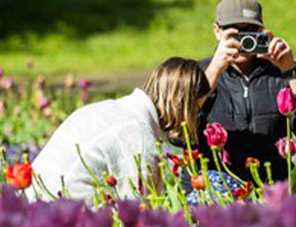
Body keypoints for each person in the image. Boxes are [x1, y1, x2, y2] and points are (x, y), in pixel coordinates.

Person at [28, 57, 211, 204]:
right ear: (181, 105)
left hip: (26, 207)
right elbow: (136, 219)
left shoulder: (105, 109)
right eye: (196, 109)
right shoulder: (139, 139)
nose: (195, 118)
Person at [196, 0, 296, 183]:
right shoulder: (198, 72)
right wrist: (214, 71)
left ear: (262, 32)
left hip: (272, 190)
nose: (243, 41)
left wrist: (290, 69)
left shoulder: (279, 75)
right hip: (217, 193)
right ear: (217, 31)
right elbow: (177, 134)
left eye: (250, 31)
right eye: (235, 33)